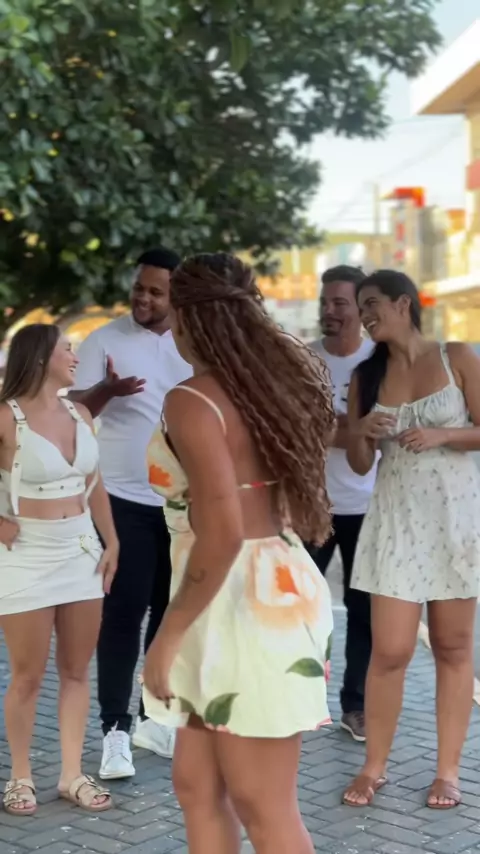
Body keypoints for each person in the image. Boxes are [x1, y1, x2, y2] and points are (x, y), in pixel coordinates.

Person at [142, 253, 335, 854]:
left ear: (187, 317)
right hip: (266, 586)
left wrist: (166, 637)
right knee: (197, 786)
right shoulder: (270, 384)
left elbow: (222, 534)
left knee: (262, 804)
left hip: (240, 602)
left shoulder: (191, 400)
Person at [342, 270, 480, 811]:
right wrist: (361, 432)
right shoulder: (366, 376)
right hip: (396, 523)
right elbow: (360, 464)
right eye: (360, 307)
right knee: (391, 651)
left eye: (372, 303)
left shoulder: (457, 356)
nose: (364, 315)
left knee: (452, 646)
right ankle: (374, 766)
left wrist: (445, 433)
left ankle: (448, 772)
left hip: (454, 521)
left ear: (404, 304)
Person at [71, 247, 192, 779]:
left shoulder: (194, 342)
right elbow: (73, 411)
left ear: (176, 296)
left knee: (169, 613)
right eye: (139, 287)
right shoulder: (105, 340)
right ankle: (114, 731)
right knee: (123, 614)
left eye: (155, 292)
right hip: (122, 500)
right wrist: (106, 390)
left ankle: (152, 718)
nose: (143, 298)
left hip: (182, 504)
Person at [0, 324, 118, 816]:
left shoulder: (81, 413)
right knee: (27, 675)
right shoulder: (5, 417)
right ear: (40, 356)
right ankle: (20, 776)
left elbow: (94, 484)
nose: (75, 356)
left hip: (81, 550)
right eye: (67, 349)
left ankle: (71, 774)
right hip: (26, 552)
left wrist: (111, 541)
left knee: (75, 671)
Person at [310, 265, 377, 742]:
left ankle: (356, 707)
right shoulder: (304, 360)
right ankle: (300, 698)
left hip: (371, 506)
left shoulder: (379, 361)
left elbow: (386, 428)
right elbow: (299, 427)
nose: (329, 310)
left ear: (359, 308)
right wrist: (358, 427)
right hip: (312, 505)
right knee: (301, 607)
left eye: (339, 303)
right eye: (324, 302)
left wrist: (336, 425)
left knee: (363, 611)